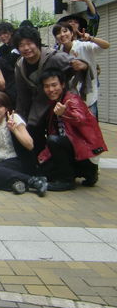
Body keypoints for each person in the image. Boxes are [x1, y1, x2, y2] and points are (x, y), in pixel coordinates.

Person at [13, 26, 90, 157]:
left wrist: (83, 66)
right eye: (21, 45)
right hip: (39, 104)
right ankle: (40, 162)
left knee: (62, 138)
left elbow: (78, 65)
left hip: (61, 104)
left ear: (37, 43)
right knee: (32, 130)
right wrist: (19, 115)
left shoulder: (54, 57)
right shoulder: (20, 65)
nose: (26, 48)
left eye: (29, 43)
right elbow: (22, 94)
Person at [39, 70, 106, 191]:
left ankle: (66, 181)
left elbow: (80, 119)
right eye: (46, 86)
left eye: (54, 85)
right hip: (71, 149)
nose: (51, 89)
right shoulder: (54, 102)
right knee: (45, 172)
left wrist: (65, 113)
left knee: (53, 140)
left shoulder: (72, 100)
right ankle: (88, 172)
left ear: (63, 84)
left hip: (84, 150)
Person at [52, 21, 109, 117]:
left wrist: (91, 38)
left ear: (71, 33)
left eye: (65, 31)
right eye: (58, 33)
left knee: (90, 125)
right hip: (70, 100)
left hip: (88, 97)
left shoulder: (83, 46)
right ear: (56, 38)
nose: (62, 35)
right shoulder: (58, 54)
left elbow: (106, 45)